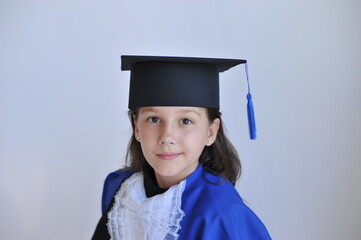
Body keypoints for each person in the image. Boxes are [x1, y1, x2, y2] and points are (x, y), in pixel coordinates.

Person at [92, 55, 271, 239]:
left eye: (186, 121)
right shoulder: (123, 192)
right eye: (154, 119)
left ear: (210, 132)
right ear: (137, 127)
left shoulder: (221, 217)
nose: (167, 137)